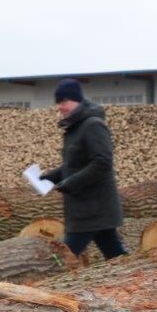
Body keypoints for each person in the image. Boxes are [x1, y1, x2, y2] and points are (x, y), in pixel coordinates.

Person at [44, 78, 127, 260]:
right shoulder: (76, 128)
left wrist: (71, 183)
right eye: (58, 102)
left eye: (64, 101)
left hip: (91, 209)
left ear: (77, 100)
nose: (60, 107)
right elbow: (75, 164)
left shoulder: (93, 125)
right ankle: (139, 276)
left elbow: (102, 162)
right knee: (116, 256)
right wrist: (51, 177)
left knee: (63, 258)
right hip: (88, 209)